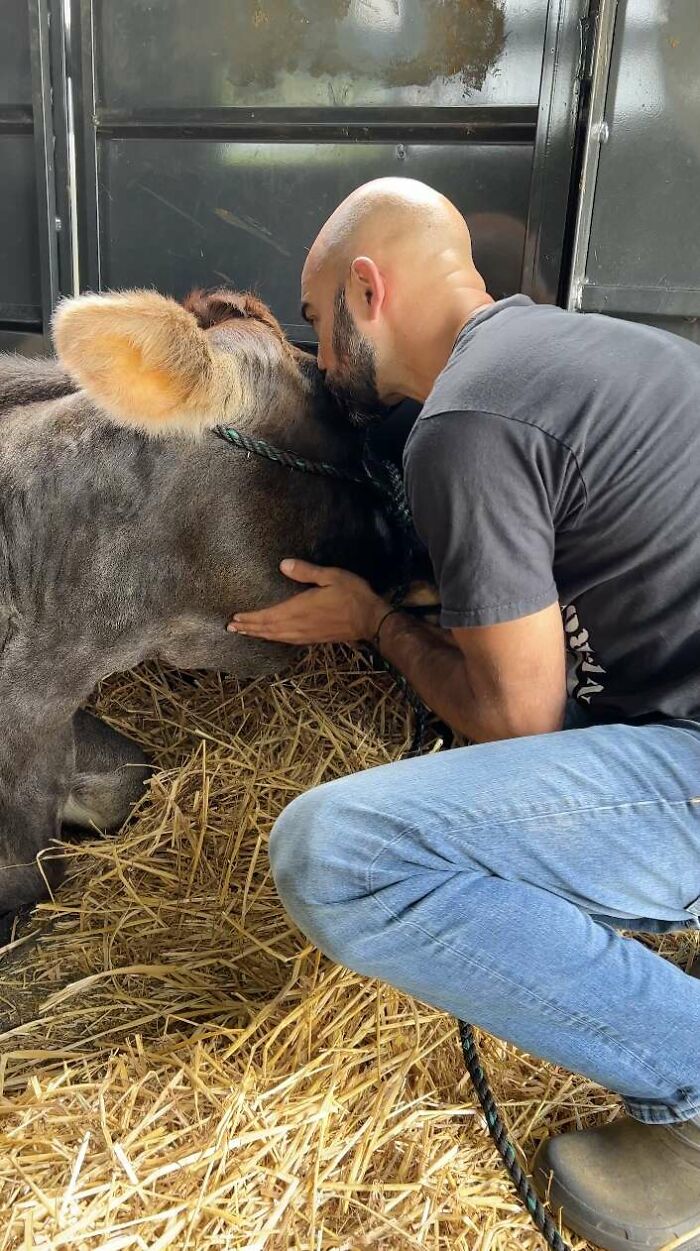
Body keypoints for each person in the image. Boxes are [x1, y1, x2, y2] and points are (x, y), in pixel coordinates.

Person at [227, 177, 700, 1251]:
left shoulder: (466, 421)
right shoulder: (591, 352)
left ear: (365, 289)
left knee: (337, 852)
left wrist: (378, 624)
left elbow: (516, 719)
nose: (317, 351)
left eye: (312, 320)